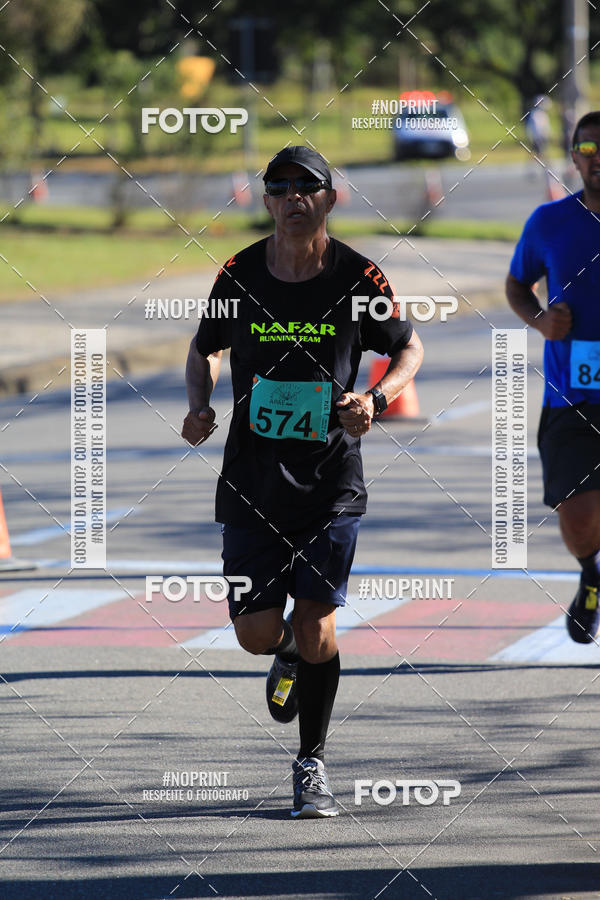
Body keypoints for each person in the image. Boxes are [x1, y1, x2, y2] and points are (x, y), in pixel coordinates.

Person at [181, 146, 423, 817]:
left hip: (329, 481)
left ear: (329, 197)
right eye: (279, 187)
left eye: (306, 187)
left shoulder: (356, 275)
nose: (292, 198)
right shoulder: (240, 273)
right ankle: (282, 653)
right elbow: (203, 349)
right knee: (256, 632)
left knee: (320, 627)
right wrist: (199, 405)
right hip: (252, 479)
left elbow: (409, 345)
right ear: (266, 200)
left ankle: (311, 764)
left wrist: (375, 399)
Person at [506, 111, 600, 645]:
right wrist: (540, 319)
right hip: (572, 395)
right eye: (588, 148)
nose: (598, 158)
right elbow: (518, 284)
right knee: (578, 513)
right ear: (574, 157)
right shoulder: (549, 222)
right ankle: (591, 572)